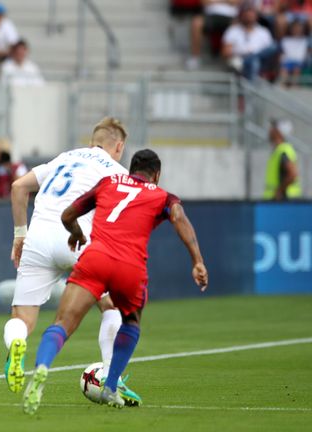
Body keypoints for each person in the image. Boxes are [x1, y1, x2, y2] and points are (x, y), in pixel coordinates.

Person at [21, 149, 208, 414]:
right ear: (156, 174)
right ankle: (110, 386)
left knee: (63, 323)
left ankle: (41, 368)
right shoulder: (163, 195)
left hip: (95, 258)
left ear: (130, 169)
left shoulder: (108, 182)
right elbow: (178, 217)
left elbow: (66, 216)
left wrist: (76, 234)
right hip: (130, 268)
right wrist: (197, 260)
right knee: (131, 321)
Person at [3, 118, 141, 407]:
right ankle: (111, 379)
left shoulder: (64, 158)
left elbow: (18, 187)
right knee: (112, 306)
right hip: (78, 239)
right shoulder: (116, 171)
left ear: (93, 140)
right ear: (118, 146)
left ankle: (17, 345)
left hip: (38, 238)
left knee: (22, 319)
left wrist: (19, 235)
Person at [222, 3, 276, 80]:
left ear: (256, 16)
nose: (248, 16)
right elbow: (226, 52)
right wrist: (244, 53)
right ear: (241, 15)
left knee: (272, 47)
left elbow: (269, 53)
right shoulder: (233, 30)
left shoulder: (264, 31)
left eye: (251, 13)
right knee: (254, 62)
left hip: (262, 62)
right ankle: (250, 88)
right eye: (246, 14)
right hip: (241, 60)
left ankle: (253, 58)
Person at [264, 119, 302, 200]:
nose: (270, 130)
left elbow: (292, 174)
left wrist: (279, 190)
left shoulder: (283, 151)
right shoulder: (279, 150)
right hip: (280, 201)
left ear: (279, 132)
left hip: (284, 201)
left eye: (273, 128)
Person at [278, 19, 309, 86]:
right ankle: (282, 86)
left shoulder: (305, 40)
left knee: (296, 69)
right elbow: (282, 53)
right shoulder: (285, 40)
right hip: (288, 61)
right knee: (284, 69)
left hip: (300, 62)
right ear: (291, 29)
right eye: (295, 28)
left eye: (298, 28)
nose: (296, 30)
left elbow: (305, 53)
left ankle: (294, 86)